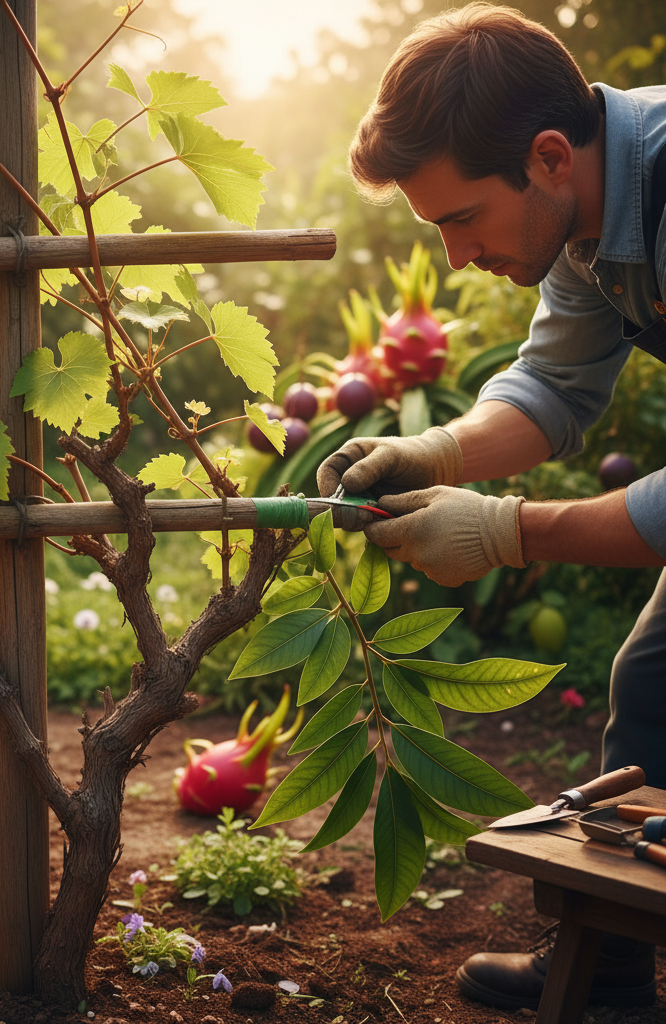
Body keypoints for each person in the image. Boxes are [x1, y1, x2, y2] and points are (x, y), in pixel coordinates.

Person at [317, 2, 666, 1013]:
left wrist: (507, 530)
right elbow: (552, 390)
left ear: (549, 158)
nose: (458, 257)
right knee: (651, 688)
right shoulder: (592, 213)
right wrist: (433, 449)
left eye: (461, 219)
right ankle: (603, 974)